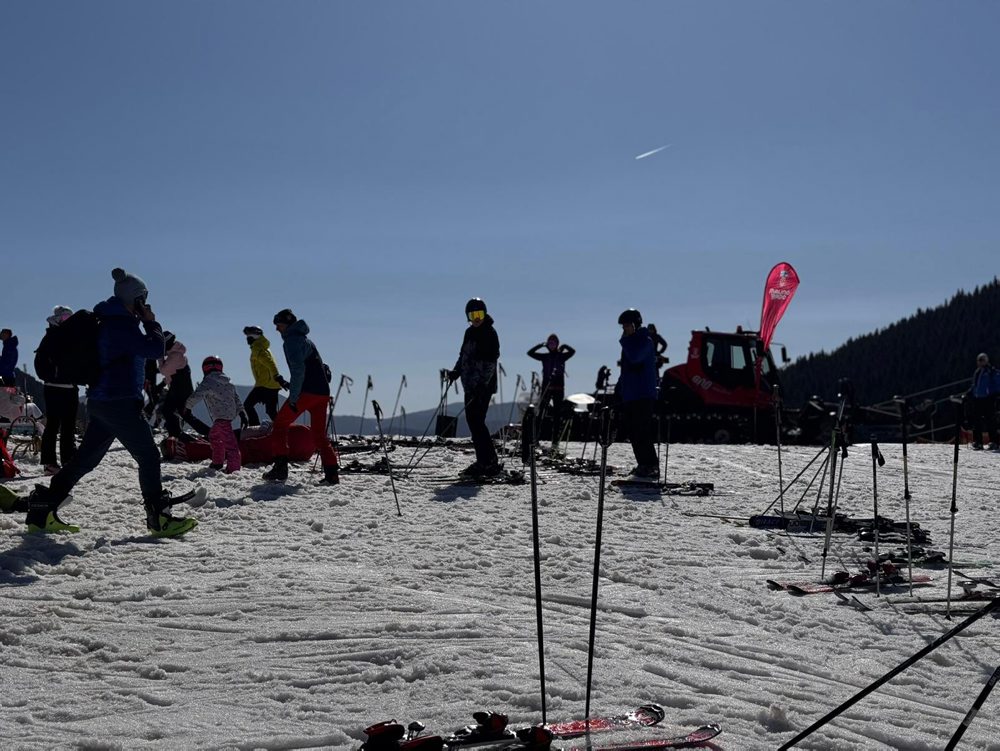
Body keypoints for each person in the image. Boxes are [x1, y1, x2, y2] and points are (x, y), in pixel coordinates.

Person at [25, 268, 197, 537]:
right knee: (149, 456)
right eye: (144, 298)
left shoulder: (109, 322)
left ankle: (41, 510)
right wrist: (151, 321)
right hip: (118, 402)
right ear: (137, 299)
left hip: (102, 401)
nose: (147, 303)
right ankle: (159, 518)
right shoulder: (120, 325)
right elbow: (154, 349)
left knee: (85, 460)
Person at [262, 309, 340, 484]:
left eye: (278, 325)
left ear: (287, 324)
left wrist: (294, 397)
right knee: (319, 434)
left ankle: (280, 468)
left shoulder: (291, 341)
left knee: (280, 425)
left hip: (306, 393)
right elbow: (322, 367)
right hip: (322, 393)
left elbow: (298, 370)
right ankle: (332, 474)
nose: (277, 329)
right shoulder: (306, 340)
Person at [448, 298, 501, 476]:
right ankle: (486, 460)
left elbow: (490, 364)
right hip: (469, 385)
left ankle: (487, 462)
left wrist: (482, 385)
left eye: (480, 314)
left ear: (485, 314)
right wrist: (456, 371)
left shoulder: (489, 333)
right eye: (473, 315)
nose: (477, 318)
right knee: (474, 422)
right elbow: (463, 355)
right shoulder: (469, 333)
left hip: (482, 387)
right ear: (468, 317)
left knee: (477, 422)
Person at [616, 308, 659, 478]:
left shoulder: (644, 341)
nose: (624, 329)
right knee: (633, 432)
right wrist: (620, 389)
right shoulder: (630, 342)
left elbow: (635, 358)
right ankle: (643, 464)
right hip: (631, 394)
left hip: (643, 394)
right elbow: (626, 370)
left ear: (635, 325)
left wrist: (625, 341)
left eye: (626, 325)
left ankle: (651, 465)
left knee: (642, 431)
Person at [186, 356, 247, 473]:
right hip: (227, 415)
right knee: (214, 436)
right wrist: (242, 413)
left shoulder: (208, 381)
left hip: (221, 417)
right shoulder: (229, 382)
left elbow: (197, 395)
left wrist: (187, 407)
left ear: (205, 368)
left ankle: (233, 468)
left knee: (230, 444)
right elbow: (237, 399)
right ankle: (217, 461)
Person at [37, 306, 78, 475]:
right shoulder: (51, 336)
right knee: (53, 424)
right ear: (56, 319)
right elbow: (41, 362)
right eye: (64, 317)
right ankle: (49, 462)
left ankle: (68, 460)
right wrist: (52, 376)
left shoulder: (72, 336)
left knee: (68, 425)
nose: (67, 321)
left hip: (70, 387)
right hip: (54, 387)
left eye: (70, 317)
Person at [158, 331, 210, 441]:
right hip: (180, 388)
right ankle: (178, 434)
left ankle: (177, 434)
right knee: (180, 413)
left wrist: (160, 357)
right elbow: (170, 373)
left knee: (171, 411)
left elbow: (163, 370)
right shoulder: (176, 353)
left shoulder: (175, 355)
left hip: (179, 389)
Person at [527, 334, 575, 446]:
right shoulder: (545, 357)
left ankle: (555, 441)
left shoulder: (562, 356)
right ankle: (536, 438)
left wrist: (565, 346)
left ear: (557, 344)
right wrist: (540, 345)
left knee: (557, 415)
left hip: (558, 389)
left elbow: (572, 351)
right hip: (546, 388)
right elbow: (530, 353)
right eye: (550, 343)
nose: (551, 345)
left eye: (554, 343)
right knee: (541, 414)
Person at [242, 325, 288, 425]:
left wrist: (277, 376)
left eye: (249, 337)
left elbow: (270, 363)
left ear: (255, 336)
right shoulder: (262, 347)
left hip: (264, 384)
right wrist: (277, 378)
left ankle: (255, 427)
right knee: (271, 411)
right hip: (272, 385)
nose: (247, 339)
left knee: (247, 405)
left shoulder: (258, 349)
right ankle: (283, 429)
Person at [968, 352, 997, 451]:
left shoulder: (991, 371)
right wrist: (969, 393)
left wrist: (993, 395)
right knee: (977, 420)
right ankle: (978, 442)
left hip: (988, 399)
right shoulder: (977, 372)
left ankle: (994, 442)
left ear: (986, 360)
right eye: (979, 360)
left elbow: (996, 384)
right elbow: (974, 385)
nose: (980, 362)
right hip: (978, 399)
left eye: (982, 360)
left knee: (990, 420)